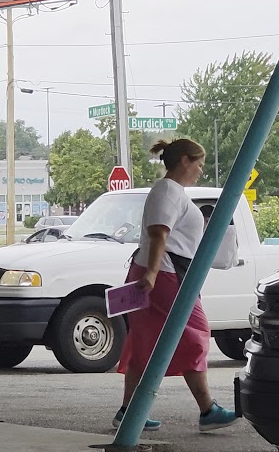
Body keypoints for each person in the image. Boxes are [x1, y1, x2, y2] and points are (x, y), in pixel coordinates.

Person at [114, 138, 239, 433]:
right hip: (165, 275)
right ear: (184, 160)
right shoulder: (169, 191)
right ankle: (207, 409)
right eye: (198, 163)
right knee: (196, 334)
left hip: (157, 273)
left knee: (145, 340)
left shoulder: (171, 191)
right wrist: (154, 274)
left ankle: (129, 410)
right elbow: (159, 233)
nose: (200, 169)